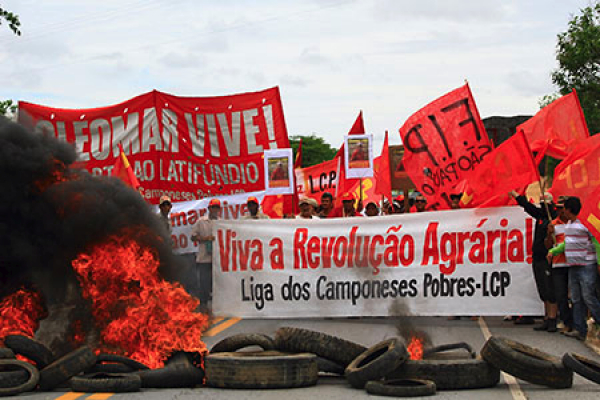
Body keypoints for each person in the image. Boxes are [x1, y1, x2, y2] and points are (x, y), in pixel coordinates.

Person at [548, 196, 600, 341]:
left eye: (564, 208)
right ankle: (580, 329)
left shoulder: (586, 224)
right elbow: (567, 243)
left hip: (586, 266)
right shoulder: (570, 224)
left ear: (569, 210)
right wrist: (554, 251)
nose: (562, 211)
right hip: (573, 266)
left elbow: (596, 242)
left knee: (589, 297)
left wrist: (599, 262)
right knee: (576, 299)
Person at [510, 190, 558, 330]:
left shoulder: (553, 219)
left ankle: (553, 318)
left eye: (545, 204)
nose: (543, 207)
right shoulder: (541, 216)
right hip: (537, 257)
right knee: (543, 289)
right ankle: (547, 317)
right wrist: (516, 196)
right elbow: (528, 207)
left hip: (547, 258)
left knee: (550, 290)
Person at [545, 195, 573, 333]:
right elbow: (548, 245)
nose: (560, 211)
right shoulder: (553, 223)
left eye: (562, 208)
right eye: (558, 208)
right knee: (560, 296)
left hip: (573, 263)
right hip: (558, 264)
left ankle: (575, 323)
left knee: (575, 296)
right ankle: (567, 323)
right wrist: (550, 234)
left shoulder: (575, 223)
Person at [190, 198, 221, 310]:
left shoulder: (221, 222)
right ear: (209, 208)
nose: (215, 210)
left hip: (217, 259)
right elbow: (192, 236)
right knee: (204, 282)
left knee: (215, 283)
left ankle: (214, 305)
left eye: (217, 207)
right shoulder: (201, 221)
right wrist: (205, 238)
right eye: (213, 207)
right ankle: (203, 305)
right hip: (204, 258)